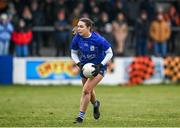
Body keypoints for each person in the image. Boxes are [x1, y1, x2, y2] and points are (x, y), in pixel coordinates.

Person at [70, 17, 113, 123]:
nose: (78, 28)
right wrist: (79, 63)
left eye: (81, 26)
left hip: (98, 68)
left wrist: (100, 65)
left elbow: (110, 53)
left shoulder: (98, 39)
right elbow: (73, 53)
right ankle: (95, 104)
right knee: (89, 90)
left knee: (86, 90)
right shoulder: (77, 38)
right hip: (84, 67)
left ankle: (80, 117)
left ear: (88, 28)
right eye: (78, 26)